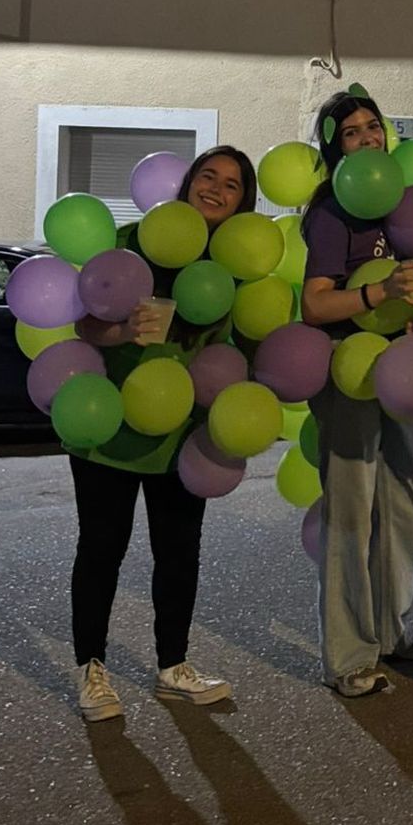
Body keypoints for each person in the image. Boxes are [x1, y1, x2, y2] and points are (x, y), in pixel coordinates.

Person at [69, 145, 256, 722]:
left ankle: (174, 666)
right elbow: (83, 322)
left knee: (179, 553)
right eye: (209, 176)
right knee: (103, 548)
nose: (216, 190)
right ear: (188, 181)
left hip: (184, 435)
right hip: (111, 423)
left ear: (242, 203)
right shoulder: (132, 243)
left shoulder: (233, 266)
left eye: (231, 185)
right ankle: (92, 670)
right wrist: (123, 329)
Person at [301, 87, 413, 699]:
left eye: (372, 127)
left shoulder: (396, 202)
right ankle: (350, 655)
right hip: (348, 372)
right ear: (335, 148)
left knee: (410, 495)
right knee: (352, 513)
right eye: (350, 132)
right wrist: (379, 296)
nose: (366, 139)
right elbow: (315, 302)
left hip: (398, 368)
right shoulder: (333, 211)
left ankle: (392, 630)